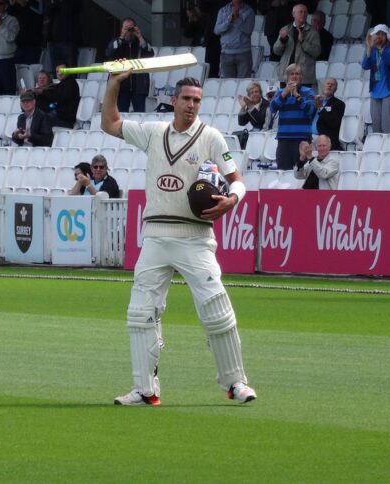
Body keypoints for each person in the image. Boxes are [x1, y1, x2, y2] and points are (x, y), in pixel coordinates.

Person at [101, 74, 256, 407]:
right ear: (174, 100)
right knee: (140, 313)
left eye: (197, 100)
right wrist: (114, 82)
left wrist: (233, 200)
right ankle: (145, 390)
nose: (191, 105)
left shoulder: (212, 137)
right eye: (186, 98)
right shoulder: (154, 133)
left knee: (216, 308)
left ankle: (236, 383)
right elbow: (110, 123)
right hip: (156, 235)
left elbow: (236, 179)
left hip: (195, 237)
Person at [270, 64, 315, 170]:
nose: (294, 76)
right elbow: (272, 109)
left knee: (301, 171)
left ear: (301, 77)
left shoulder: (308, 91)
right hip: (284, 139)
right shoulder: (280, 92)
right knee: (282, 170)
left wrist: (296, 95)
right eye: (292, 74)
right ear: (287, 77)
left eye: (297, 74)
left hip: (302, 138)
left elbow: (310, 110)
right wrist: (284, 94)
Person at [105, 18, 152, 113]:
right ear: (121, 29)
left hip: (139, 86)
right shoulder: (116, 42)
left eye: (131, 29)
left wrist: (140, 36)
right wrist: (121, 37)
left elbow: (150, 53)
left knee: (139, 115)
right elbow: (110, 54)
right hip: (121, 86)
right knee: (121, 115)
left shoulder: (141, 42)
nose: (129, 32)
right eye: (126, 28)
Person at [362, 24, 390, 134]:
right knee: (376, 126)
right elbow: (365, 66)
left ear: (387, 37)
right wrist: (369, 48)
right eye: (377, 34)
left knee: (387, 126)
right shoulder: (372, 51)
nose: (379, 37)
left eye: (382, 34)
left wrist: (379, 48)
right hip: (375, 91)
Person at [273, 3, 319, 89]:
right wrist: (282, 40)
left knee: (302, 101)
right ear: (293, 14)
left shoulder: (313, 32)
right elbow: (276, 51)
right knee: (285, 101)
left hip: (304, 77)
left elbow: (316, 52)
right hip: (286, 76)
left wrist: (303, 42)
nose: (303, 14)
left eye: (305, 12)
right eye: (300, 12)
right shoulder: (285, 29)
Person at [213, 0, 255, 78]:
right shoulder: (223, 10)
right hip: (226, 53)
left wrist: (237, 19)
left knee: (243, 85)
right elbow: (217, 30)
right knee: (228, 85)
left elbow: (248, 30)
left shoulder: (249, 11)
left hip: (243, 53)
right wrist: (229, 21)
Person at [44, 0, 82, 70]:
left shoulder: (72, 3)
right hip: (54, 42)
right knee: (56, 72)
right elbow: (47, 12)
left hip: (68, 42)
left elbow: (70, 9)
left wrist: (58, 3)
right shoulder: (53, 2)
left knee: (70, 70)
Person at [313, 77, 345, 151]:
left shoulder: (339, 104)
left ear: (336, 89)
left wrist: (321, 108)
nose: (329, 86)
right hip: (309, 136)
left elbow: (333, 123)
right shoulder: (314, 101)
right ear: (323, 86)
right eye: (328, 84)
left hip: (323, 138)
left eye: (332, 85)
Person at [9, 0, 44, 64]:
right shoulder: (16, 6)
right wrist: (12, 4)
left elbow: (39, 12)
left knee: (31, 72)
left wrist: (24, 3)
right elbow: (8, 15)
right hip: (17, 47)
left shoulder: (37, 3)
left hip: (33, 47)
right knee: (17, 72)